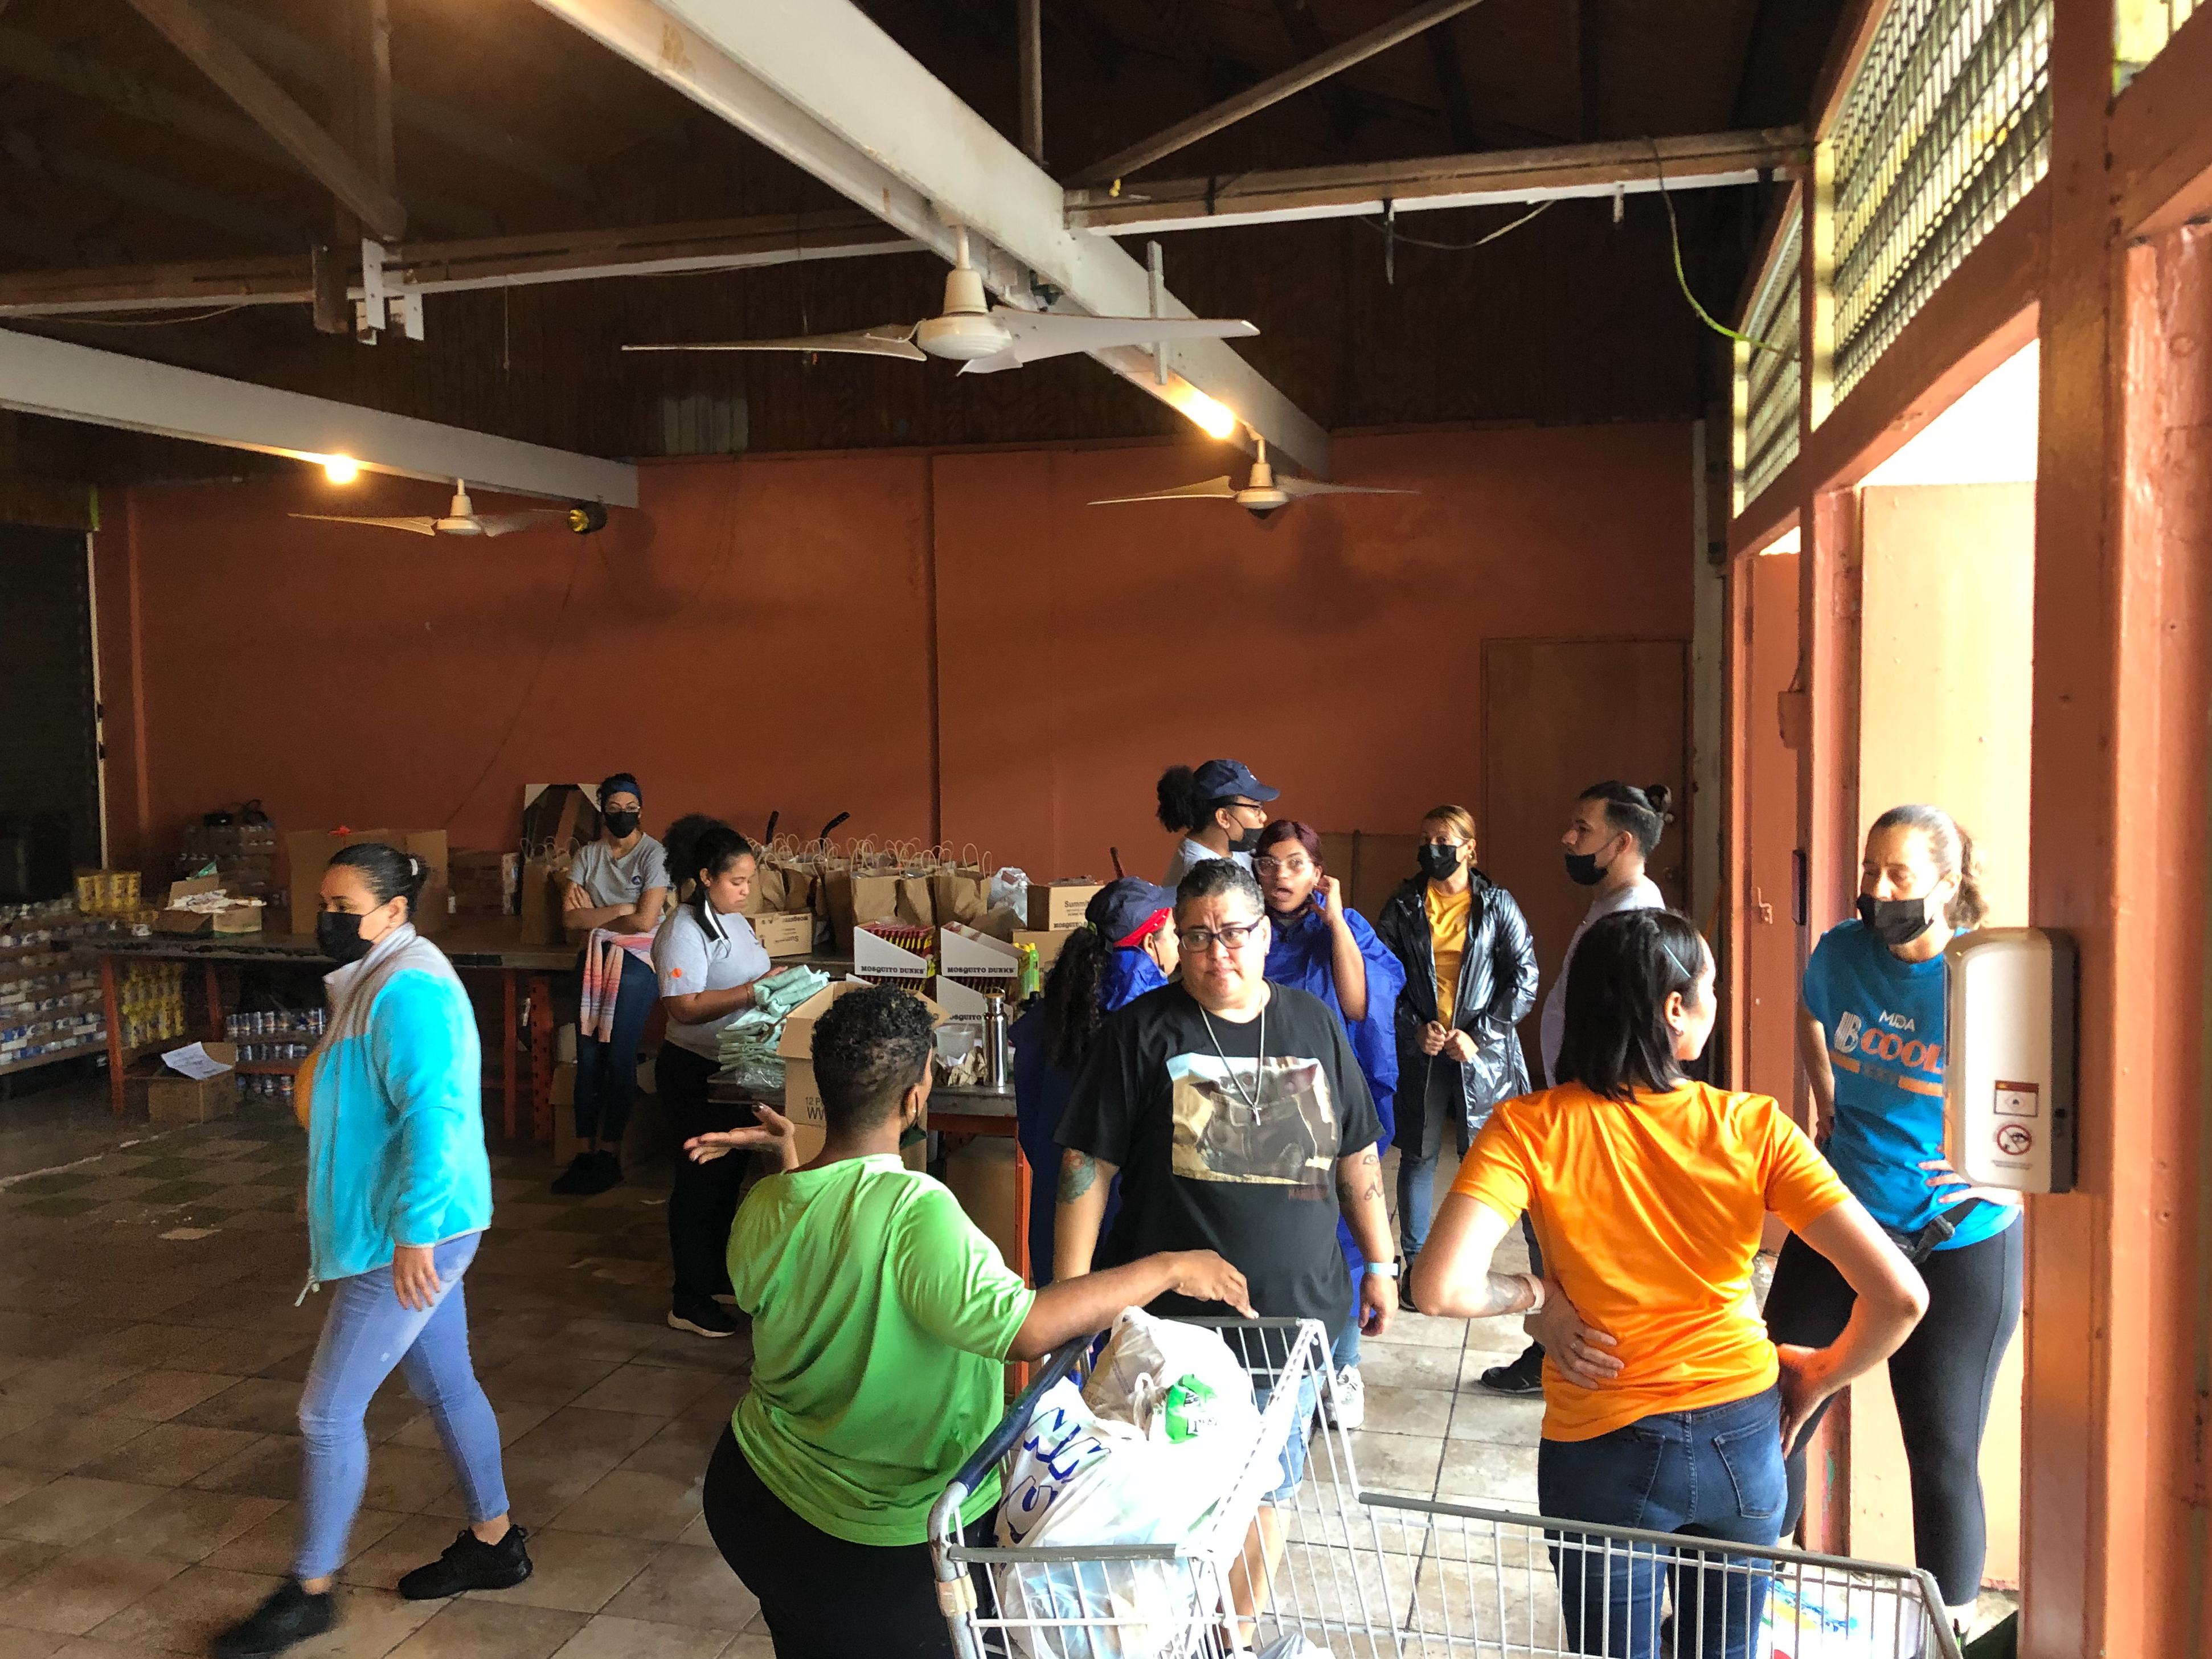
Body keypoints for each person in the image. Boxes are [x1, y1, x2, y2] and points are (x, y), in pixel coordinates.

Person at [1408, 908, 1927, 1659]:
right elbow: (1901, 1297)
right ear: (1675, 1008)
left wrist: (1537, 1301)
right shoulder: (1753, 1126)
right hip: (1744, 1436)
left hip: (1603, 1442)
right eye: (1711, 987)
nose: (1717, 1004)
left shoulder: (1530, 1127)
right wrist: (1818, 1373)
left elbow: (1439, 1286)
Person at [684, 984, 1253, 1658]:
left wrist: (788, 1156)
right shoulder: (914, 1209)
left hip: (753, 1497)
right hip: (872, 1541)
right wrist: (1165, 1268)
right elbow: (1028, 1327)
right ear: (914, 1097)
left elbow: (821, 1226)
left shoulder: (768, 1200)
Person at [214, 843, 530, 1659]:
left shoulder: (407, 990)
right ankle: (496, 1543)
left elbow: (439, 1115)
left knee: (326, 1413)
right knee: (444, 1380)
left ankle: (310, 1592)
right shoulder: (370, 978)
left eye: (344, 904)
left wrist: (415, 1231)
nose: (327, 918)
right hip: (403, 1226)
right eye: (322, 900)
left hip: (410, 1235)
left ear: (394, 912)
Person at [1056, 859, 1396, 1517]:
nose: (1217, 953)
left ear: (1265, 935)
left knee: (1266, 1499)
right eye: (1196, 936)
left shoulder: (1313, 1023)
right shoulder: (1138, 1034)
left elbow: (1356, 1153)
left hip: (1294, 1326)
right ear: (1173, 943)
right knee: (1178, 1508)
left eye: (1233, 933)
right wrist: (1075, 1302)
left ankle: (1236, 1629)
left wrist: (1379, 1263)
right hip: (1175, 1337)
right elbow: (1084, 1167)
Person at [1767, 804, 2020, 1634]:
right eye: (1870, 871)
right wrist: (1826, 1099)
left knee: (1942, 1452)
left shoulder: (1983, 979)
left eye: (1899, 876)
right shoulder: (1841, 952)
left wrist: (1994, 1164)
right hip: (1846, 1216)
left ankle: (1941, 1638)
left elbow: (2041, 1097)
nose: (1877, 890)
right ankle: (1744, 1602)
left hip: (1962, 1236)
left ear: (1948, 886)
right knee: (1777, 1405)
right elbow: (1808, 1013)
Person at [1480, 779, 1672, 1396]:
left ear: (1620, 842)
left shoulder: (1633, 918)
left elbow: (1623, 1035)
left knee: (1565, 1241)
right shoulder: (1609, 904)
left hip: (1592, 1110)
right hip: (1573, 1098)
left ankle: (1567, 1352)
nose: (1567, 838)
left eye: (1581, 829)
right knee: (1555, 1237)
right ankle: (1554, 1350)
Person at [1255, 820, 1405, 1426]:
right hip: (1261, 1105)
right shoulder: (1243, 927)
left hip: (1330, 1102)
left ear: (1318, 873)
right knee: (1276, 1233)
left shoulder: (1345, 930)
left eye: (1295, 864)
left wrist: (1336, 921)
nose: (1279, 877)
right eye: (1267, 864)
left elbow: (1360, 1005)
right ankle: (1277, 1361)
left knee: (1343, 1231)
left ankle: (1341, 1367)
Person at [1371, 805, 1537, 1288]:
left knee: (1485, 1157)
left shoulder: (1496, 904)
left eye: (1444, 839)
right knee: (1419, 1155)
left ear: (1469, 848)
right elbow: (1381, 977)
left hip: (1480, 1056)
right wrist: (1413, 1026)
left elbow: (1524, 977)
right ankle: (1416, 1265)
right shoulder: (1404, 905)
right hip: (1424, 1050)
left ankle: (1468, 1264)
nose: (1432, 848)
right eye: (1425, 838)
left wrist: (1480, 1035)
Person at [651, 816, 801, 1339]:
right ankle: (687, 1299)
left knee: (725, 1180)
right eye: (737, 881)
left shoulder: (732, 922)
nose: (746, 890)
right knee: (698, 1180)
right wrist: (754, 993)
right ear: (706, 877)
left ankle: (714, 1277)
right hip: (694, 1069)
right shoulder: (682, 930)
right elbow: (683, 1006)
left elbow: (749, 977)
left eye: (748, 881)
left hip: (733, 1065)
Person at [1009, 878, 1179, 1285]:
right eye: (1174, 932)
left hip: (1058, 1214)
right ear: (1151, 943)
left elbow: (1032, 1123)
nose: (1180, 942)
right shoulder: (1156, 1018)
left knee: (1070, 1335)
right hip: (1129, 1219)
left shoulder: (1063, 1003)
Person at [554, 772, 669, 1194]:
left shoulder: (654, 854)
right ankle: (583, 1152)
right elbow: (569, 919)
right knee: (587, 1057)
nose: (623, 815)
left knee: (618, 1054)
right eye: (615, 808)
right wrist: (623, 907)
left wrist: (603, 913)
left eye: (631, 808)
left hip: (638, 961)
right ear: (602, 809)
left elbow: (646, 921)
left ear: (641, 808)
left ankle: (610, 1152)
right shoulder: (588, 855)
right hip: (595, 958)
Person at [1157, 757, 1280, 887]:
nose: (1263, 817)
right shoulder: (1204, 880)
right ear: (1223, 818)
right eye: (1255, 808)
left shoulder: (1232, 846)